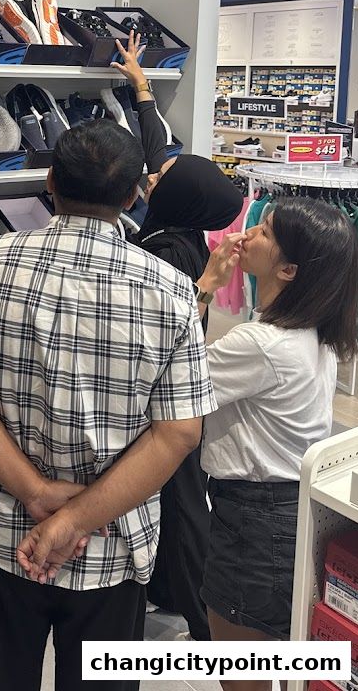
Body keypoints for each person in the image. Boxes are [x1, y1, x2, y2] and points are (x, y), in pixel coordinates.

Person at [0, 119, 218, 691]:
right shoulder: (172, 289)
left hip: (7, 525)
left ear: (50, 181)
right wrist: (78, 520)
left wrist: (39, 497)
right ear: (134, 194)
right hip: (115, 537)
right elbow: (179, 434)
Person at [112, 33, 244, 640]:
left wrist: (203, 286)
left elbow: (178, 332)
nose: (149, 175)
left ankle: (200, 618)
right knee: (174, 498)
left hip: (167, 398)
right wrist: (140, 82)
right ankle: (173, 590)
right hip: (165, 395)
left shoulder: (168, 250)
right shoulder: (182, 223)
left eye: (160, 177)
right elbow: (158, 149)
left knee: (184, 501)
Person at [201, 198, 358, 689]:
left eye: (264, 232)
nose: (248, 233)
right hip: (286, 511)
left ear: (289, 269)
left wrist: (206, 284)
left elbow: (175, 379)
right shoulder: (316, 334)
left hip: (253, 519)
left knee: (238, 669)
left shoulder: (260, 343)